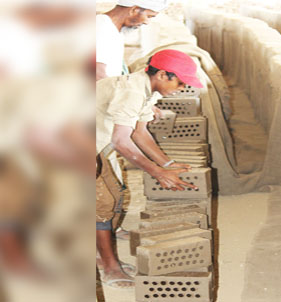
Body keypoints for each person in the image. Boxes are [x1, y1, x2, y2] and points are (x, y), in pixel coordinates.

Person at [96, 49, 203, 289]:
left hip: (92, 146)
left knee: (115, 196)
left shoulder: (147, 91)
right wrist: (157, 172)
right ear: (163, 75)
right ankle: (110, 267)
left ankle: (99, 255)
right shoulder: (132, 91)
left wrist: (167, 164)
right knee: (101, 205)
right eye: (181, 81)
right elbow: (121, 141)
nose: (182, 87)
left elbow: (139, 133)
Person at [95, 0, 166, 243]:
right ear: (135, 9)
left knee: (111, 179)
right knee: (102, 188)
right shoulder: (101, 30)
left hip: (107, 113)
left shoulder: (112, 31)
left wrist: (143, 102)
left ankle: (110, 228)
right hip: (97, 116)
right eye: (149, 16)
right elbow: (98, 75)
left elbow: (120, 76)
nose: (147, 22)